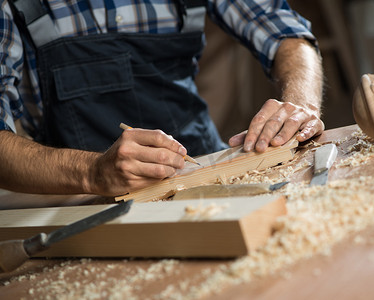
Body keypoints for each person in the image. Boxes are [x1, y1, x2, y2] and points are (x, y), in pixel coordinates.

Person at [0, 0, 324, 196]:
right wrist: (92, 172)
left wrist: (301, 105)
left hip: (202, 167)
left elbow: (285, 32)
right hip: (87, 197)